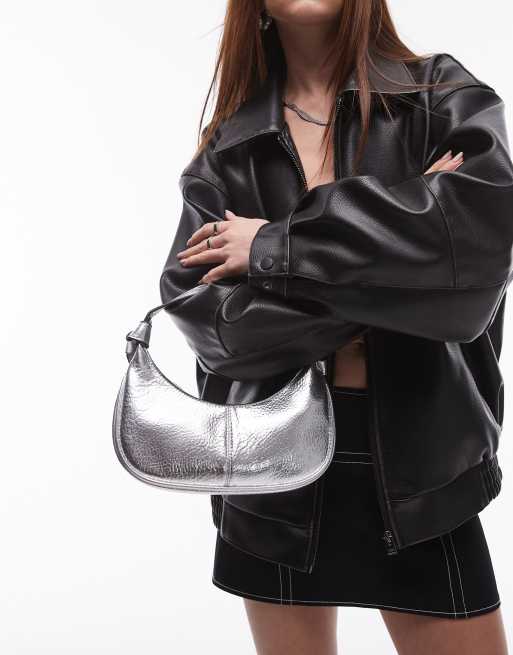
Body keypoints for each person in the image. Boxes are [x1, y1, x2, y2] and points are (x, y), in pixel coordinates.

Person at [159, 1, 513, 653]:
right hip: (270, 473)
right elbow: (216, 327)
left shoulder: (439, 98)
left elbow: (478, 264)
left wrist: (272, 247)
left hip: (424, 459)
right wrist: (396, 264)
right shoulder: (230, 147)